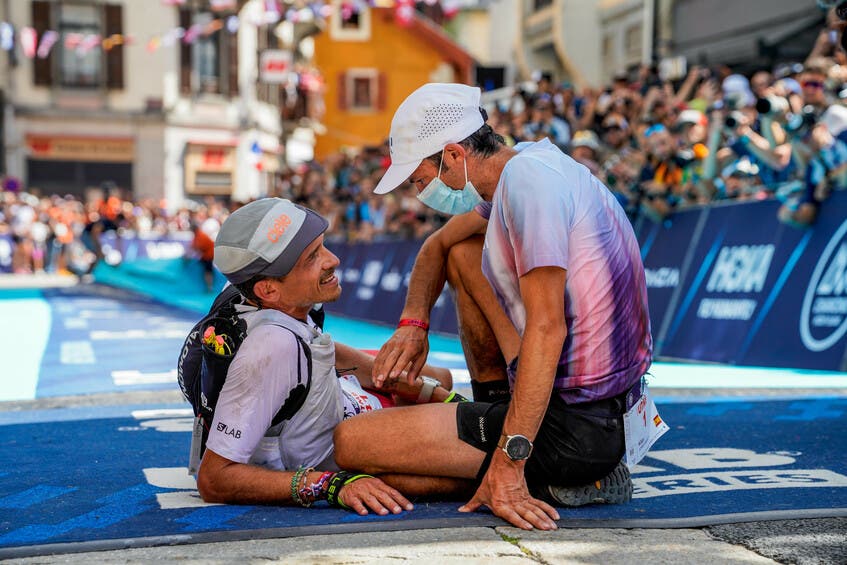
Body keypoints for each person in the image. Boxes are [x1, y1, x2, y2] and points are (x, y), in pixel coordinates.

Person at [332, 83, 653, 531]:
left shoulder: (528, 186)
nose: (420, 192)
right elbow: (436, 246)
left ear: (453, 155)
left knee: (352, 445)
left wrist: (510, 462)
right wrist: (413, 325)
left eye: (420, 180)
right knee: (463, 254)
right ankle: (499, 419)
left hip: (577, 425)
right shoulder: (523, 166)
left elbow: (548, 330)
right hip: (593, 407)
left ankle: (550, 468)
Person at [197, 197, 458, 514]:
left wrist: (429, 390)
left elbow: (323, 353)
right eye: (312, 258)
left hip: (349, 406)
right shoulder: (270, 345)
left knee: (438, 377)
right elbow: (214, 479)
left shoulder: (269, 301)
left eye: (322, 247)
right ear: (269, 290)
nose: (333, 259)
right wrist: (328, 485)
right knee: (467, 452)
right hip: (354, 442)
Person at [188, 222, 216, 292]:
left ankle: (210, 287)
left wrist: (189, 253)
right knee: (206, 270)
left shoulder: (201, 235)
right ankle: (208, 286)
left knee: (208, 271)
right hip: (206, 256)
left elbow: (198, 247)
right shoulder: (198, 235)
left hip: (209, 256)